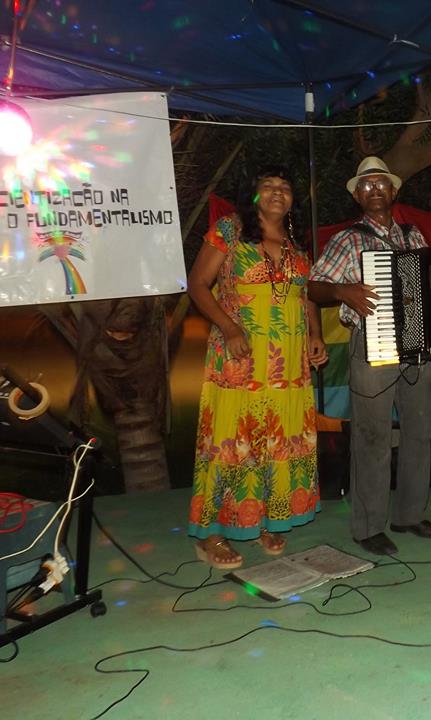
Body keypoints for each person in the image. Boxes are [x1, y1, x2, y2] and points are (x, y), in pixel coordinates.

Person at [308, 156, 431, 555]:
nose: (375, 189)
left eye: (382, 183)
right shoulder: (347, 240)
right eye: (367, 185)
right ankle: (368, 527)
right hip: (372, 346)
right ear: (357, 196)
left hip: (419, 349)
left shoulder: (414, 237)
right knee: (372, 437)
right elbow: (312, 286)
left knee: (418, 432)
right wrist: (342, 291)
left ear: (394, 191)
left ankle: (410, 515)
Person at [187, 166, 327, 570]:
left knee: (277, 440)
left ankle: (265, 520)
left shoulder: (297, 242)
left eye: (285, 187)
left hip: (288, 364)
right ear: (254, 195)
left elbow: (307, 295)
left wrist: (316, 334)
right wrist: (229, 327)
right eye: (268, 186)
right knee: (231, 440)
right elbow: (198, 284)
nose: (277, 192)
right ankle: (211, 534)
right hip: (241, 357)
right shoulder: (229, 231)